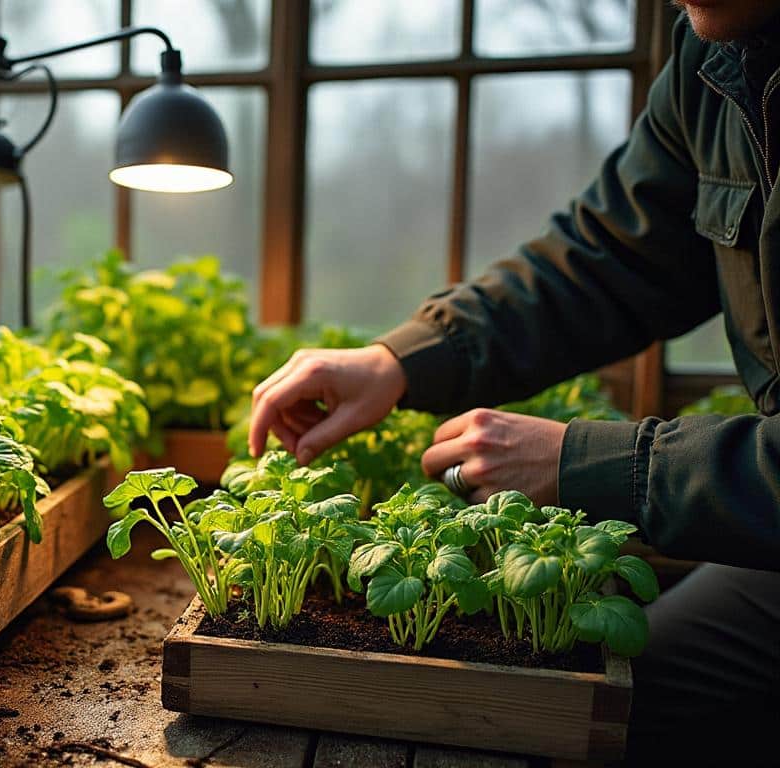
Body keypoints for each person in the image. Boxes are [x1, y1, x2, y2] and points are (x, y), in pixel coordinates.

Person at [248, 2, 780, 763]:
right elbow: (615, 254)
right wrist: (405, 360)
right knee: (617, 704)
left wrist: (585, 465)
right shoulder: (716, 54)